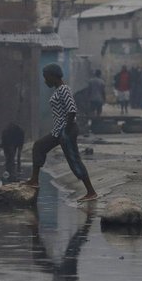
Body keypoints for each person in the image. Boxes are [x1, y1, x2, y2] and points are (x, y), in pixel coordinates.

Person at [26, 63, 98, 202]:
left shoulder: (64, 89)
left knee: (74, 160)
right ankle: (34, 180)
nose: (45, 81)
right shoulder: (58, 90)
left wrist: (66, 130)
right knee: (39, 146)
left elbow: (72, 109)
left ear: (53, 76)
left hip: (66, 131)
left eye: (46, 77)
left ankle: (91, 192)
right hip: (58, 131)